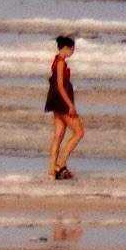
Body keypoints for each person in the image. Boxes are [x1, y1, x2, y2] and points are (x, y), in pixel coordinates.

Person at [45, 34, 82, 180]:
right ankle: (60, 164)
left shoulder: (57, 61)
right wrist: (70, 105)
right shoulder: (60, 62)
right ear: (66, 48)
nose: (72, 53)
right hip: (61, 102)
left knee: (58, 135)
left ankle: (51, 170)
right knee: (79, 132)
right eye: (72, 50)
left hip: (55, 101)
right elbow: (60, 86)